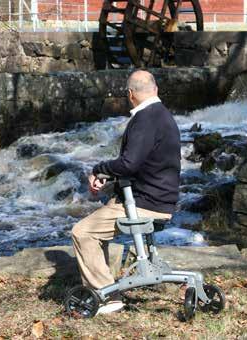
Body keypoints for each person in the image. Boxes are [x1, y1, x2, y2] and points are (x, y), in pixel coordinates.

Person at [71, 70, 181, 314]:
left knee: (83, 231)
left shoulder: (145, 119)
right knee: (102, 218)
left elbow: (129, 164)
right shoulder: (163, 115)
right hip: (162, 198)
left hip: (145, 203)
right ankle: (106, 283)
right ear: (156, 89)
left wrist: (99, 169)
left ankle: (106, 297)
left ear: (130, 94)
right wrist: (108, 179)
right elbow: (143, 164)